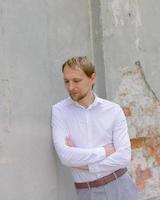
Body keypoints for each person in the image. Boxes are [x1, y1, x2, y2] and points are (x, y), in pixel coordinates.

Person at [52, 56, 138, 200]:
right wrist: (105, 151)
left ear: (92, 78)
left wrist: (86, 165)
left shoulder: (113, 110)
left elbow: (124, 157)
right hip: (88, 192)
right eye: (66, 81)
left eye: (76, 81)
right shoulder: (59, 111)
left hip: (121, 187)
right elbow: (66, 157)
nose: (71, 87)